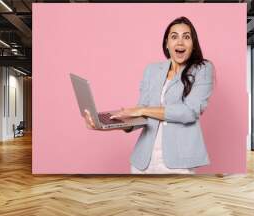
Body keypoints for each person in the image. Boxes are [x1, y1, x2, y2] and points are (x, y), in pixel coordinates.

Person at [84, 16, 214, 174]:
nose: (180, 42)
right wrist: (108, 124)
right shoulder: (152, 70)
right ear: (167, 43)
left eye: (186, 37)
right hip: (143, 162)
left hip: (179, 163)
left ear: (193, 44)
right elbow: (141, 115)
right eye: (174, 37)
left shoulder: (203, 69)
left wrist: (142, 110)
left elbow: (189, 112)